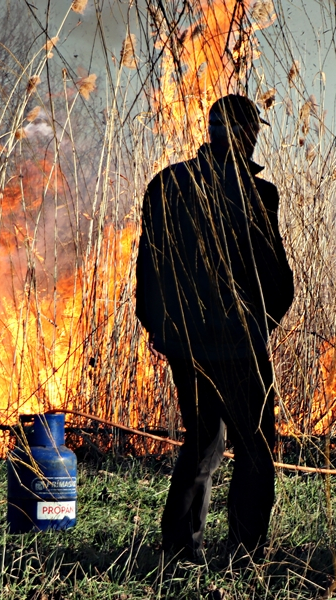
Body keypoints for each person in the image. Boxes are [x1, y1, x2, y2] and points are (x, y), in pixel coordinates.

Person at [135, 94, 294, 562]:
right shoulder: (257, 194)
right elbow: (276, 279)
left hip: (185, 345)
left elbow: (148, 271)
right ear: (247, 135)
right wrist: (260, 324)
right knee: (255, 446)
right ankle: (246, 551)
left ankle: (179, 550)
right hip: (239, 345)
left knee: (202, 441)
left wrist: (162, 330)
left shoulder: (165, 185)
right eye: (254, 131)